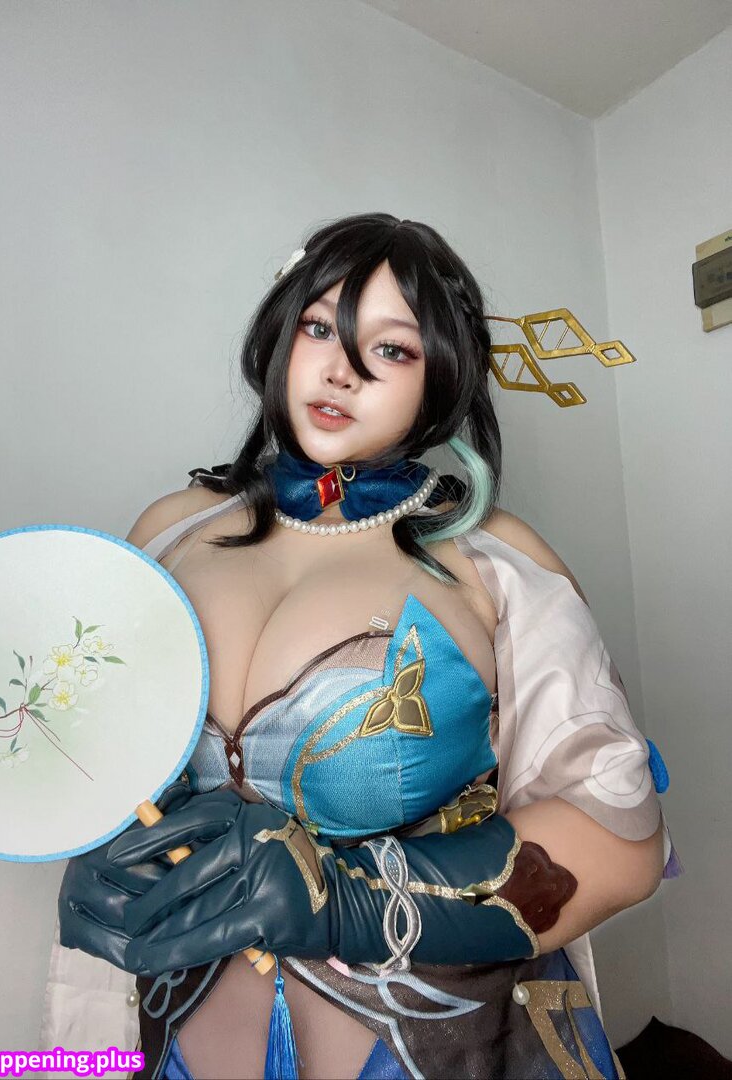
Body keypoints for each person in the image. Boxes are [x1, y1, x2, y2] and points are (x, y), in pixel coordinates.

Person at [57, 212, 679, 1079]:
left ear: (441, 376)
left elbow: (620, 843)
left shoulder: (495, 562)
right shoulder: (169, 532)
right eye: (319, 327)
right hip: (179, 1031)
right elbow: (97, 755)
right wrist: (96, 855)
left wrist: (347, 900)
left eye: (390, 349)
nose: (339, 369)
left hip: (435, 1046)